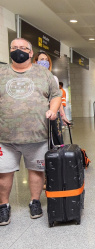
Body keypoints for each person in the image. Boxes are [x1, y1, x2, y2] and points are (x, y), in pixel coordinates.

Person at [0, 38, 62, 225]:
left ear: (30, 52)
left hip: (37, 134)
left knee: (36, 170)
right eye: (14, 47)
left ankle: (35, 202)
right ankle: (3, 206)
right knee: (4, 173)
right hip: (5, 136)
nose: (18, 50)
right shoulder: (2, 73)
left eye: (22, 48)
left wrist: (53, 110)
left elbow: (56, 95)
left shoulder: (43, 74)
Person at [33, 52, 69, 146]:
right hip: (38, 115)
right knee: (41, 142)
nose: (44, 62)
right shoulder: (32, 78)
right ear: (36, 62)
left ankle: (55, 160)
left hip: (52, 115)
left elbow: (57, 98)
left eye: (46, 60)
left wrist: (63, 115)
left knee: (56, 141)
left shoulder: (54, 78)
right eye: (41, 59)